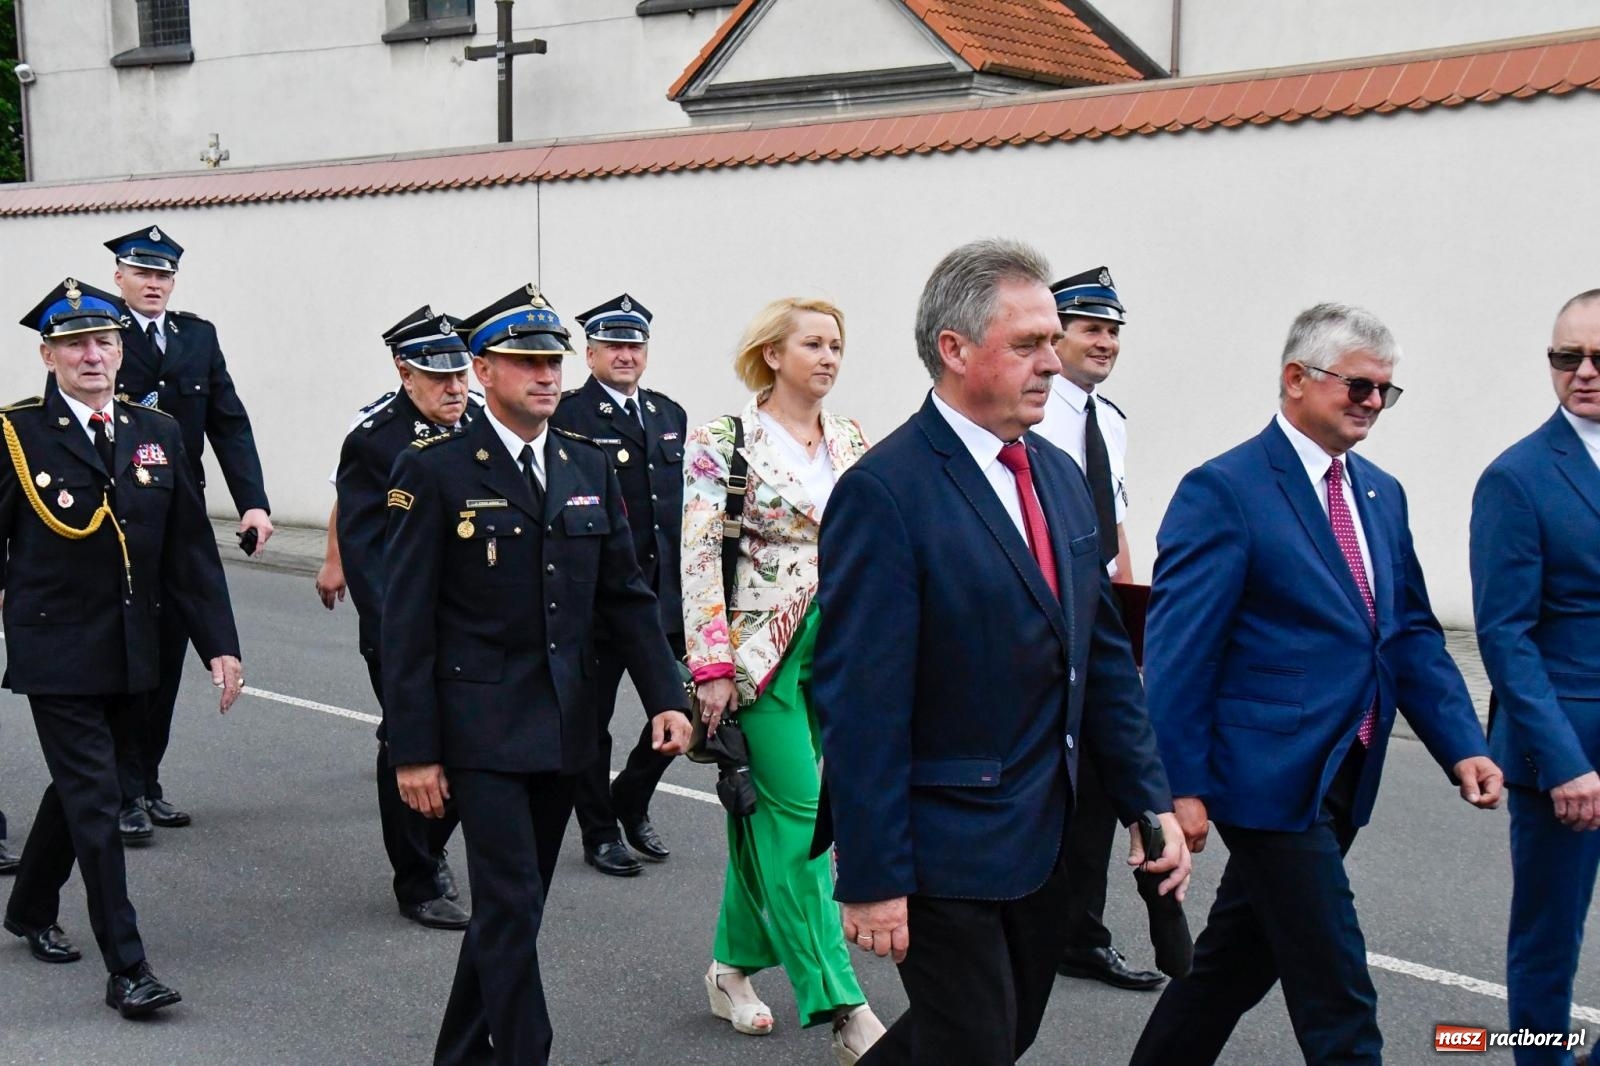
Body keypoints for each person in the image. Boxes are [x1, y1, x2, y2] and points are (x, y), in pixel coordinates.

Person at [811, 239, 1187, 1066]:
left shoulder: (1055, 473)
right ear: (954, 349)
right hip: (945, 840)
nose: (1053, 362)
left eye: (1052, 340)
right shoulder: (886, 492)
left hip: (1045, 833)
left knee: (995, 1035)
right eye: (1028, 343)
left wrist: (1147, 798)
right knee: (976, 1043)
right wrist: (871, 875)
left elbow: (1103, 659)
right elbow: (860, 700)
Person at [1130, 302, 1504, 1065]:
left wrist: (1462, 743)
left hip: (1346, 769)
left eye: (1384, 391)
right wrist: (1182, 788)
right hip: (1264, 779)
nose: (1371, 403)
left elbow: (1407, 634)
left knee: (1232, 965)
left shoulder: (1380, 493)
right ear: (1295, 378)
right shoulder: (1226, 489)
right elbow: (1179, 653)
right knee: (1337, 987)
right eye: (1358, 385)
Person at [382, 283, 692, 1066]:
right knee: (511, 900)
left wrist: (665, 694)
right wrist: (415, 750)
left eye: (551, 360)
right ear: (483, 370)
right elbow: (406, 623)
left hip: (567, 727)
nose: (546, 375)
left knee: (516, 912)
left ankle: (458, 1056)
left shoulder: (587, 464)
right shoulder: (438, 471)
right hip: (479, 728)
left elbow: (625, 593)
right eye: (526, 362)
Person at [1, 278, 243, 1017]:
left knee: (81, 787)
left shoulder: (156, 432)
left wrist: (219, 647)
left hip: (134, 649)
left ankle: (30, 906)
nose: (93, 356)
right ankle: (128, 969)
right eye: (75, 344)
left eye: (104, 341)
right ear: (48, 355)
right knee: (100, 800)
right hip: (56, 648)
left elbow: (189, 552)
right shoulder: (14, 435)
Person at [682, 296, 884, 1063]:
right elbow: (698, 557)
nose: (830, 357)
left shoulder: (854, 439)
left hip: (846, 653)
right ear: (773, 353)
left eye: (837, 344)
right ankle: (842, 1005)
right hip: (760, 661)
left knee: (763, 820)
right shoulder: (722, 440)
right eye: (813, 344)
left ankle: (731, 967)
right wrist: (710, 669)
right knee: (803, 824)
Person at [103, 224, 271, 841]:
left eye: (164, 274)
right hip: (116, 516)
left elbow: (229, 422)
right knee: (127, 654)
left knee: (171, 647)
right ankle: (120, 789)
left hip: (182, 511)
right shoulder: (100, 336)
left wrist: (252, 503)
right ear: (118, 278)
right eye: (142, 273)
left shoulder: (196, 337)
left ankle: (146, 781)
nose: (154, 284)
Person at [316, 305, 479, 930]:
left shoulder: (477, 430)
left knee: (469, 745)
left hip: (472, 629)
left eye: (461, 375)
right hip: (404, 630)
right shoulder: (375, 441)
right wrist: (406, 634)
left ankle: (431, 846)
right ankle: (416, 877)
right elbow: (369, 553)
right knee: (410, 742)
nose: (454, 388)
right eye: (439, 377)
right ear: (404, 374)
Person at [1471, 288, 1600, 1065]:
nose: (1583, 372)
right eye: (1566, 357)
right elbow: (1505, 636)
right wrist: (1564, 763)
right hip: (1564, 753)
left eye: (1599, 358)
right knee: (1549, 941)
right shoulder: (1516, 478)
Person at [1032, 265, 1161, 992]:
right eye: (1091, 328)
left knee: (1106, 785)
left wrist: (1128, 621)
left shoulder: (1108, 419)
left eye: (1113, 331)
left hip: (1100, 617)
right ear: (1057, 334)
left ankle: (1080, 932)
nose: (1105, 341)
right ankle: (1038, 918)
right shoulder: (1035, 408)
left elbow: (1114, 524)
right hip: (1051, 617)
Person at [550, 293, 687, 877]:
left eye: (635, 345)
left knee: (683, 710)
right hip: (598, 603)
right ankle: (599, 831)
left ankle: (631, 795)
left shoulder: (668, 415)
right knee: (589, 723)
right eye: (614, 345)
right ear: (590, 352)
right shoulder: (568, 415)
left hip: (664, 597)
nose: (626, 355)